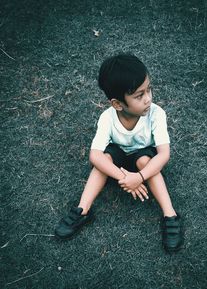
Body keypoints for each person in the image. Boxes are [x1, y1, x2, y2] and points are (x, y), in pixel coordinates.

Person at [55, 53, 183, 253]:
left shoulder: (156, 114)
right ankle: (82, 211)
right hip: (118, 160)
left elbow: (164, 154)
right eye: (139, 95)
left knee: (144, 161)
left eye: (149, 89)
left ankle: (170, 216)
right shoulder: (107, 118)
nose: (148, 99)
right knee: (104, 159)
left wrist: (139, 177)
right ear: (117, 104)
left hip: (143, 159)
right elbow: (95, 156)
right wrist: (125, 177)